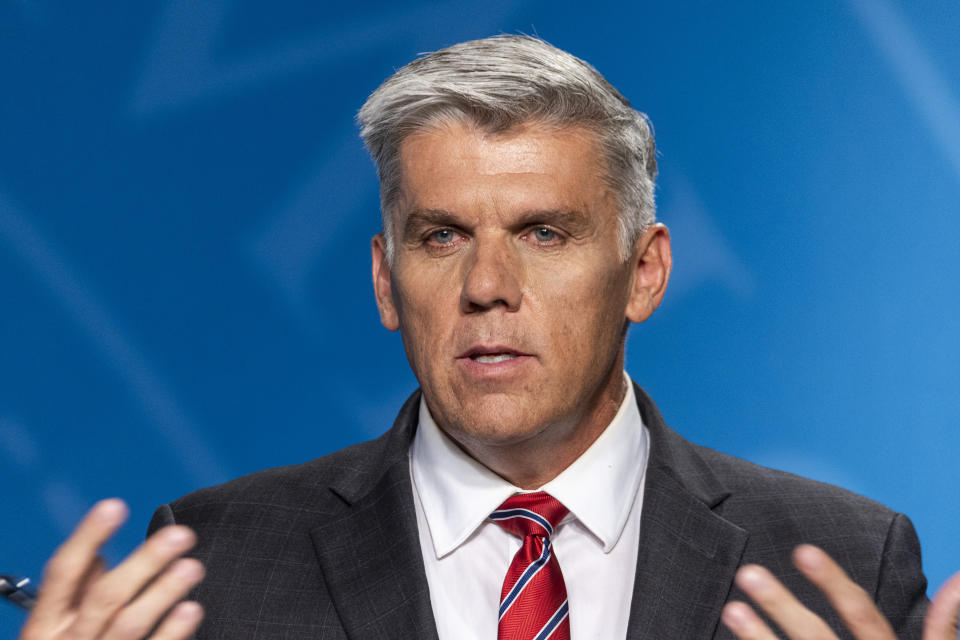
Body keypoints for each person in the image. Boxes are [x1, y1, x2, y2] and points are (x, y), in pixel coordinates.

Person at [17, 35, 960, 640]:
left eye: (545, 233)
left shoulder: (843, 557)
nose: (487, 288)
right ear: (387, 281)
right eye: (442, 237)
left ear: (645, 273)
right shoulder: (214, 560)